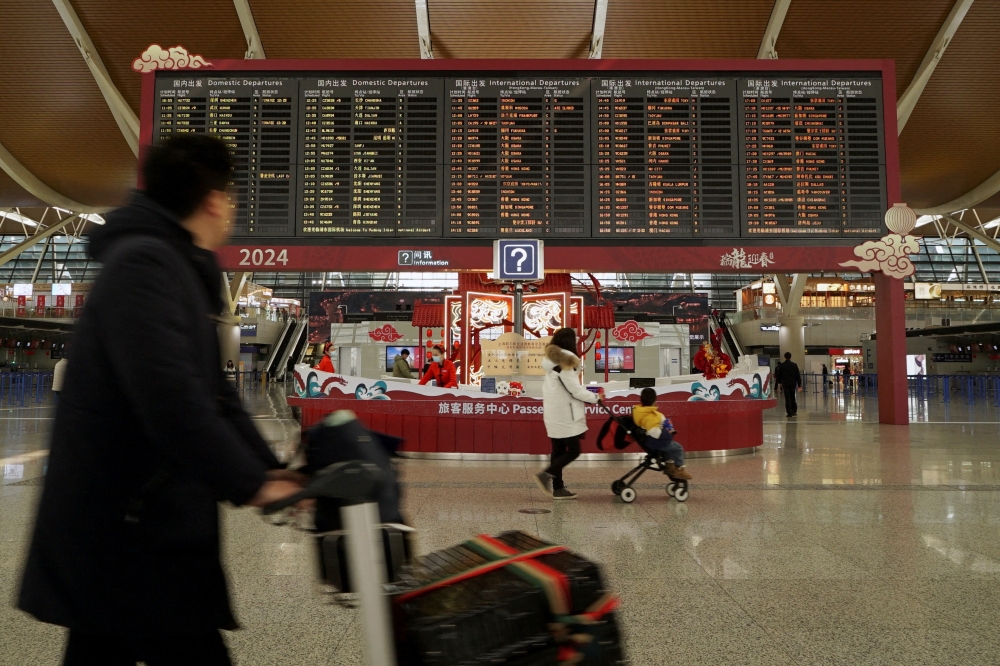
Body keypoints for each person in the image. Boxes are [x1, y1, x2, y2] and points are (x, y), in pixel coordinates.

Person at [18, 134, 306, 666]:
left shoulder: (173, 265)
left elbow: (213, 393)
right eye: (232, 200)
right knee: (171, 641)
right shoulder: (145, 266)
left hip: (133, 524)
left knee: (104, 644)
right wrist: (252, 484)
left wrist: (272, 473)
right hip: (128, 528)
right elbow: (171, 400)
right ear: (215, 201)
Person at [535, 328, 600, 500]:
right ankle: (546, 475)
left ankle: (558, 488)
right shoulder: (565, 364)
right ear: (569, 342)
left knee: (557, 451)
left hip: (554, 413)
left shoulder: (552, 363)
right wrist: (596, 398)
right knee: (573, 450)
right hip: (566, 414)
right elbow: (575, 390)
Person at [632, 387, 692, 480]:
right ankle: (679, 470)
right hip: (655, 442)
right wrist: (668, 432)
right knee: (678, 448)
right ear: (654, 401)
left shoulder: (639, 411)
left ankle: (669, 466)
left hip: (647, 441)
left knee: (670, 449)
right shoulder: (651, 417)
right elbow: (655, 433)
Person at [775, 351, 802, 417]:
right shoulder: (794, 365)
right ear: (790, 357)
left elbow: (779, 375)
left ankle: (789, 412)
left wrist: (779, 382)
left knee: (787, 398)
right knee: (793, 397)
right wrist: (799, 384)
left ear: (784, 357)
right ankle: (794, 411)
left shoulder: (782, 365)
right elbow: (797, 375)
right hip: (793, 383)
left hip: (785, 384)